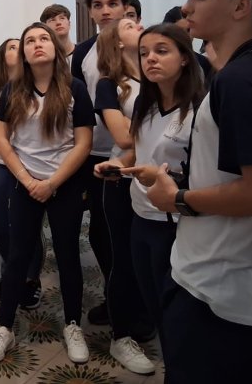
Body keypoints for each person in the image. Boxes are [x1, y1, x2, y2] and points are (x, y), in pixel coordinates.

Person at [147, 0, 252, 384]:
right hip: (219, 276)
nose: (187, 7)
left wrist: (179, 198)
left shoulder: (242, 81)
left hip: (216, 288)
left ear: (241, 6)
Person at [0, 23, 94, 365]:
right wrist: (27, 180)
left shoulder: (75, 88)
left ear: (54, 48)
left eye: (43, 38)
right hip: (25, 183)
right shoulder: (13, 90)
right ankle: (4, 327)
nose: (37, 44)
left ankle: (73, 325)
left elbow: (84, 143)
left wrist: (52, 182)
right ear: (24, 54)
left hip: (64, 184)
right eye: (30, 41)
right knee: (17, 257)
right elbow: (1, 140)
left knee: (66, 254)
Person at [98, 23, 204, 382]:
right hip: (140, 217)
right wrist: (120, 166)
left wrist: (172, 188)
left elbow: (204, 175)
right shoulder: (147, 103)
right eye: (144, 53)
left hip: (177, 225)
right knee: (156, 310)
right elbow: (139, 151)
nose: (150, 59)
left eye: (162, 51)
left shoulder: (200, 109)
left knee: (179, 318)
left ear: (186, 58)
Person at [91, 19, 156, 375]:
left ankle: (147, 319)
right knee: (124, 258)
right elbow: (123, 136)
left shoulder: (158, 77)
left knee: (155, 256)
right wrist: (165, 125)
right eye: (131, 25)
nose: (140, 26)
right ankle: (121, 335)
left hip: (161, 177)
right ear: (116, 43)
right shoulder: (109, 86)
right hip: (122, 177)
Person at [70, 0, 133, 328]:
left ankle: (135, 307)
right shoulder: (82, 52)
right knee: (100, 232)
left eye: (112, 3)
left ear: (125, 6)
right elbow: (78, 100)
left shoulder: (139, 42)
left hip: (137, 153)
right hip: (95, 154)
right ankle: (115, 298)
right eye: (98, 5)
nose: (105, 10)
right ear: (90, 10)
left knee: (130, 232)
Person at [0, 38, 45, 308]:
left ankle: (31, 278)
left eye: (21, 45)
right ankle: (12, 271)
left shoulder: (36, 88)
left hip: (30, 164)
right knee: (0, 225)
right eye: (12, 46)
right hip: (0, 164)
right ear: (1, 56)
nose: (18, 50)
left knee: (28, 226)